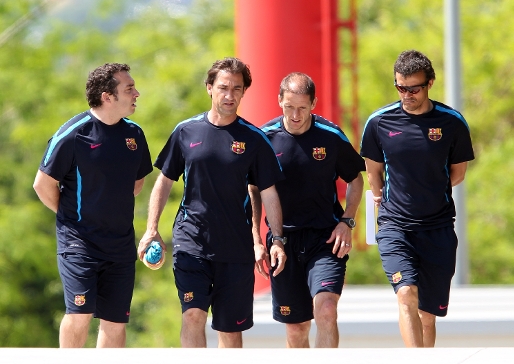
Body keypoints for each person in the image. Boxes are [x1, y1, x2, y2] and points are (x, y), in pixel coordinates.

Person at [137, 57, 286, 348]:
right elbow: (164, 182)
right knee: (193, 315)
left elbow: (268, 193)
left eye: (237, 89)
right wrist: (151, 228)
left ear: (244, 92)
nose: (229, 95)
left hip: (235, 248)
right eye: (223, 87)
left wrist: (275, 239)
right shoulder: (185, 132)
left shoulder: (254, 139)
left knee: (230, 331)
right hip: (191, 241)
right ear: (209, 88)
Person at [33, 63, 153, 348]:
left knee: (115, 322)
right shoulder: (73, 134)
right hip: (79, 242)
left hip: (121, 243)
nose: (137, 93)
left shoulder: (134, 134)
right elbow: (42, 184)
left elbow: (138, 182)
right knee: (80, 314)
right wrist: (71, 218)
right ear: (107, 96)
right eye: (129, 88)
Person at [360, 50, 475, 347]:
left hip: (437, 226)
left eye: (414, 88)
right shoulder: (378, 122)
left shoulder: (451, 122)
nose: (407, 94)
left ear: (430, 83)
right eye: (400, 87)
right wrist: (380, 196)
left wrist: (427, 188)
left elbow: (458, 173)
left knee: (427, 314)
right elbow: (373, 171)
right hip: (395, 225)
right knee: (406, 293)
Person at [249, 72, 365, 348]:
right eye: (289, 106)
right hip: (282, 242)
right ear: (279, 101)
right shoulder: (263, 139)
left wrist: (347, 221)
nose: (295, 114)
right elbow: (253, 191)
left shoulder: (331, 137)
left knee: (326, 309)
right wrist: (256, 240)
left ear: (314, 103)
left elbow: (356, 180)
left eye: (302, 107)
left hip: (325, 238)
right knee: (297, 329)